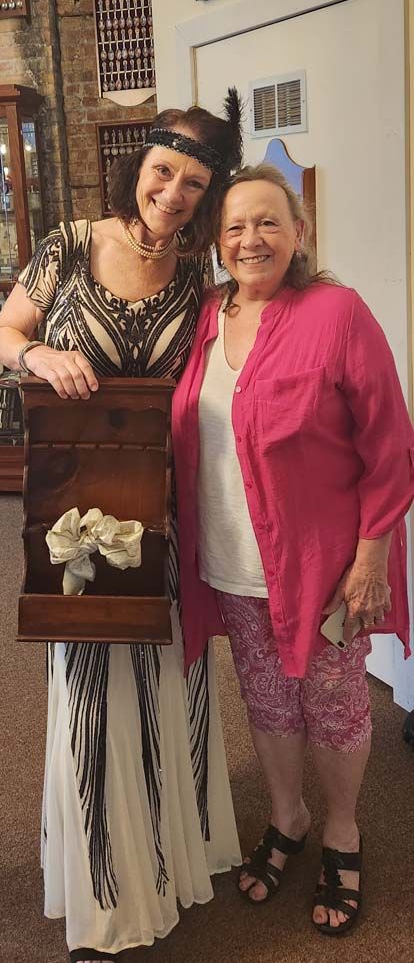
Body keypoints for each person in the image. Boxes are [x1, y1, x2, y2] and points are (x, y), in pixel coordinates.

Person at [0, 100, 244, 962]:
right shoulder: (66, 243)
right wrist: (38, 355)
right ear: (142, 163)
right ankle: (104, 883)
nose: (172, 194)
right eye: (164, 171)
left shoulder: (200, 281)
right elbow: (1, 331)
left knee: (170, 680)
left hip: (167, 514)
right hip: (76, 519)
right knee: (93, 683)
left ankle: (169, 865)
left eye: (194, 185)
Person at [172, 163, 414, 937]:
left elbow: (390, 445)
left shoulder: (336, 312)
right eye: (235, 225)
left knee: (335, 707)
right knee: (269, 701)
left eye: (269, 222)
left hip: (327, 567)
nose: (251, 238)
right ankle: (289, 818)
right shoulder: (204, 317)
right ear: (216, 241)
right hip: (233, 563)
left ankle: (343, 830)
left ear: (300, 233)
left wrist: (371, 555)